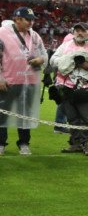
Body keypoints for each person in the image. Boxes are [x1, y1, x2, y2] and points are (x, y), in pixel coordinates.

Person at [51, 22, 88, 156]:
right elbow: (53, 60)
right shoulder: (66, 45)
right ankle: (75, 143)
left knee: (87, 119)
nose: (79, 33)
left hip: (87, 88)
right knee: (72, 118)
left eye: (82, 30)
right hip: (67, 87)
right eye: (77, 30)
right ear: (73, 32)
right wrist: (69, 61)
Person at [0, 8, 48, 156]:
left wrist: (41, 59)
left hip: (29, 81)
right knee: (2, 114)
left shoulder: (34, 36)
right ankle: (1, 144)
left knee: (25, 115)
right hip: (8, 81)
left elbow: (44, 54)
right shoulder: (2, 33)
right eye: (28, 19)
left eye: (32, 19)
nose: (31, 22)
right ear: (17, 19)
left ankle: (24, 143)